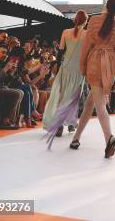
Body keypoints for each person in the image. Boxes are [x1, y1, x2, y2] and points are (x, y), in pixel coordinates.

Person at [71, 0, 115, 158]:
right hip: (110, 65)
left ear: (107, 5)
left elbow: (86, 47)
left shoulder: (94, 21)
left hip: (95, 62)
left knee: (99, 103)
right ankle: (76, 138)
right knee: (91, 102)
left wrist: (83, 67)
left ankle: (109, 137)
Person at [43, 10, 88, 146]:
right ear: (86, 21)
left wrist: (57, 69)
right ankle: (70, 124)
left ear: (75, 20)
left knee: (62, 96)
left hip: (65, 67)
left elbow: (61, 51)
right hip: (79, 69)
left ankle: (61, 125)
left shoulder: (65, 32)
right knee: (73, 97)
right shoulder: (87, 34)